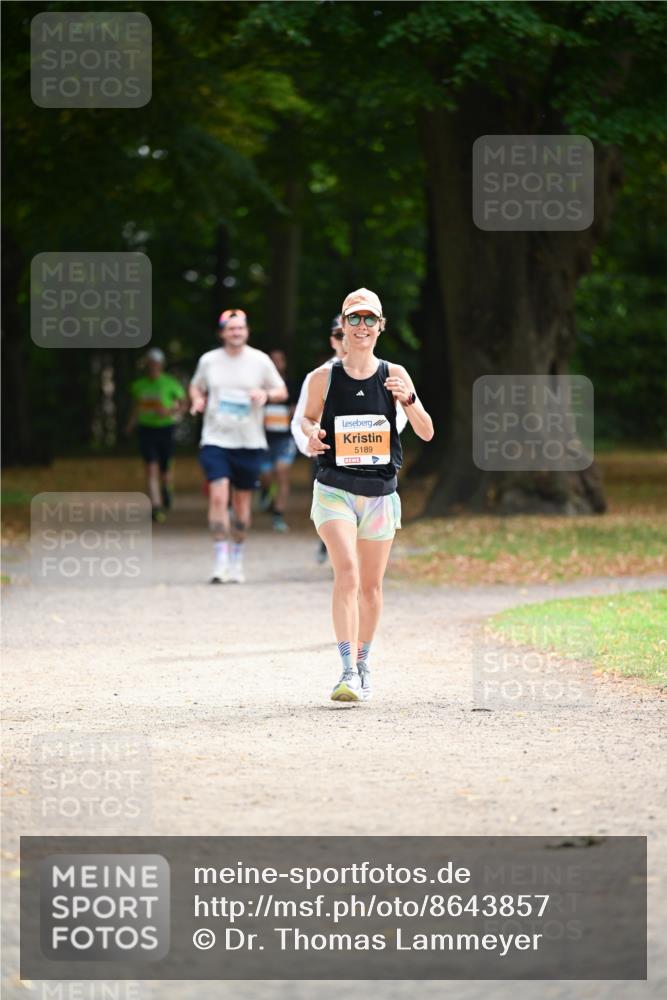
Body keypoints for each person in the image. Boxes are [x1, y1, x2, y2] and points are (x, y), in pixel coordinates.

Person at [302, 288, 434, 702]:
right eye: (353, 319)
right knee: (348, 573)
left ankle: (362, 662)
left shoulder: (395, 373)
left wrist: (407, 400)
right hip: (334, 489)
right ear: (342, 324)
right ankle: (345, 673)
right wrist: (313, 437)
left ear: (381, 325)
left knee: (372, 588)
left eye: (369, 319)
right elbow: (306, 421)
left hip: (380, 493)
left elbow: (427, 431)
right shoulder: (323, 377)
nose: (361, 327)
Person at [189, 309, 287, 584]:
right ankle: (220, 557)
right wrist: (197, 399)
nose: (236, 333)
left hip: (249, 441)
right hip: (216, 439)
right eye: (231, 329)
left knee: (242, 503)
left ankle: (237, 556)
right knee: (219, 495)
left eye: (240, 328)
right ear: (222, 332)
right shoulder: (209, 361)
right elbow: (195, 387)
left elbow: (281, 391)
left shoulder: (260, 360)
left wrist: (265, 394)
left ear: (247, 331)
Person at [291, 315, 347, 561]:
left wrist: (384, 439)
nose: (344, 340)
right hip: (328, 455)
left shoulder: (382, 371)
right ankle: (332, 549)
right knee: (331, 510)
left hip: (369, 457)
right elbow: (300, 419)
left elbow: (400, 413)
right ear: (332, 340)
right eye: (338, 334)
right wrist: (310, 443)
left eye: (347, 332)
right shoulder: (320, 375)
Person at [126, 348, 186, 522]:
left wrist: (169, 411)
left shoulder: (170, 383)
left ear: (161, 365)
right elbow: (136, 407)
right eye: (150, 364)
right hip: (146, 429)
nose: (153, 367)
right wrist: (131, 424)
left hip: (166, 428)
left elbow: (182, 404)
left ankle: (166, 488)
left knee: (165, 470)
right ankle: (156, 505)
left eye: (156, 364)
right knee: (150, 467)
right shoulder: (138, 385)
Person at [258, 349, 298, 533]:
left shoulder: (292, 385)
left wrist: (293, 414)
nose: (276, 363)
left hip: (285, 438)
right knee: (266, 476)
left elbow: (299, 409)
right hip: (262, 438)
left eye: (279, 360)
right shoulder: (260, 385)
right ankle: (266, 491)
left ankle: (278, 515)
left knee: (281, 472)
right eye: (272, 360)